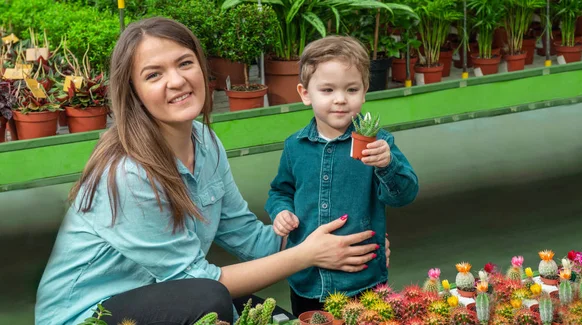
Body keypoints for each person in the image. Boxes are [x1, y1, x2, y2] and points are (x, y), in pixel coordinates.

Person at [34, 18, 385, 325]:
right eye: (153, 74)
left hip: (163, 296)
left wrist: (346, 243)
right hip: (90, 315)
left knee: (275, 316)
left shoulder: (204, 141)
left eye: (185, 63)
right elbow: (196, 280)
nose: (177, 81)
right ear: (134, 92)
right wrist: (308, 254)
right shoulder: (127, 173)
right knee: (210, 299)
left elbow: (248, 237)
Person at [265, 35, 419, 316]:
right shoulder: (295, 146)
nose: (340, 100)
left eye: (351, 89)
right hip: (308, 280)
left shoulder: (377, 143)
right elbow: (280, 191)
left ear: (364, 91)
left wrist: (387, 164)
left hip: (363, 279)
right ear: (305, 93)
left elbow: (405, 194)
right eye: (327, 90)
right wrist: (281, 212)